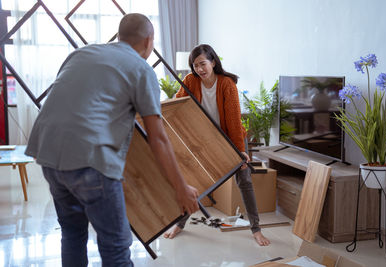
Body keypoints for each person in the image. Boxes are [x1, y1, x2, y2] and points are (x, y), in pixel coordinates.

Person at [25, 13, 199, 267]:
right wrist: (182, 189)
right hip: (91, 161)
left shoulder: (81, 54)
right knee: (115, 248)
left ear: (119, 37)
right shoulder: (141, 69)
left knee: (72, 235)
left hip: (48, 156)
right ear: (149, 40)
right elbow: (158, 138)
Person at [163, 44, 270, 246]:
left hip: (232, 138)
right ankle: (180, 223)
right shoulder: (190, 81)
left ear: (213, 62)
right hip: (206, 140)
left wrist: (240, 151)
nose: (200, 69)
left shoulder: (226, 84)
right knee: (196, 181)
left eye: (203, 64)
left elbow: (234, 121)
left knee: (245, 181)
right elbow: (177, 105)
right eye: (195, 66)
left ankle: (256, 230)